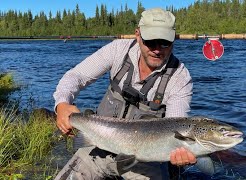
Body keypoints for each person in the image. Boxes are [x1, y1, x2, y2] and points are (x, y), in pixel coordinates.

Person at [53, 8, 196, 180]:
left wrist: (180, 153)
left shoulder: (180, 77)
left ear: (173, 40)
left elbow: (176, 125)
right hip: (99, 148)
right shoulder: (117, 51)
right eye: (151, 41)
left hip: (145, 163)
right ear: (138, 35)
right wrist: (62, 104)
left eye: (164, 42)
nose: (157, 49)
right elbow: (76, 76)